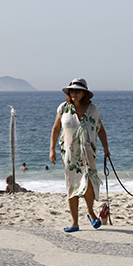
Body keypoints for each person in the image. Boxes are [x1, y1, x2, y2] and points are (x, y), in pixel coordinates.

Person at [49, 78, 110, 233]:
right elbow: (56, 129)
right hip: (69, 154)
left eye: (77, 90)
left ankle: (90, 212)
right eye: (71, 91)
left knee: (89, 183)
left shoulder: (93, 109)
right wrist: (52, 149)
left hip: (88, 152)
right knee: (72, 186)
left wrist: (106, 149)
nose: (73, 93)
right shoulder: (63, 108)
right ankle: (74, 222)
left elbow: (100, 129)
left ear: (84, 93)